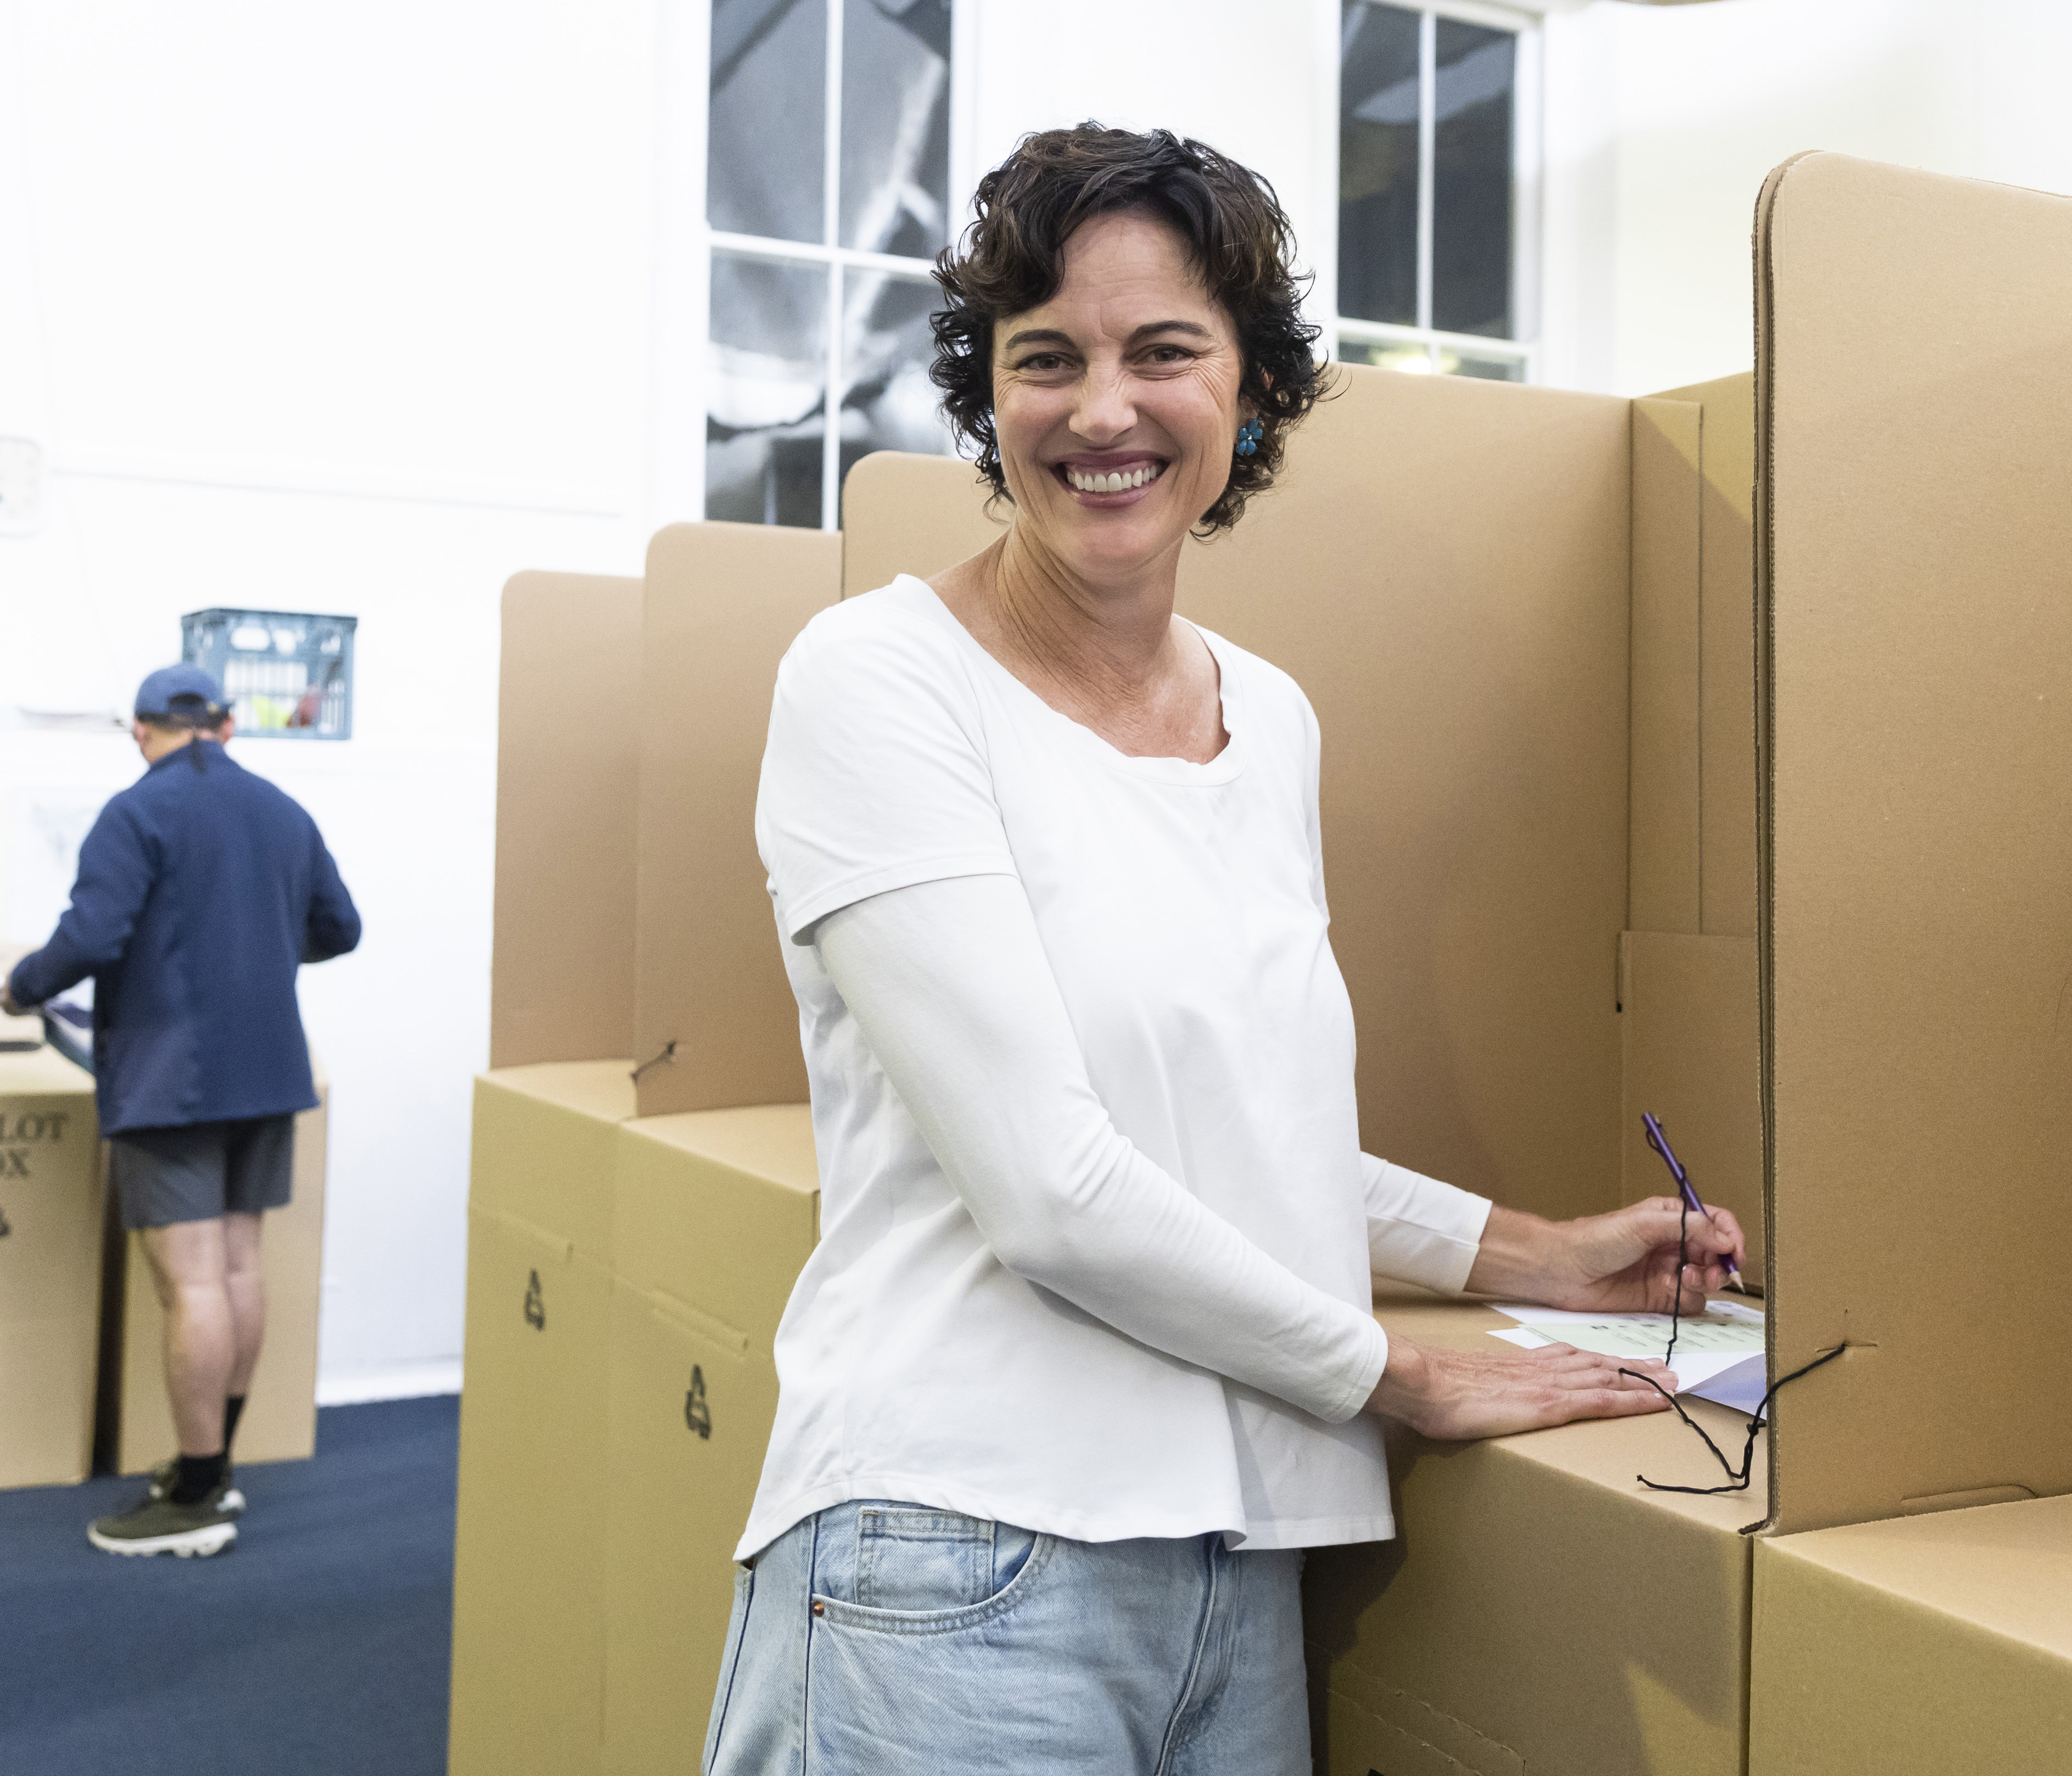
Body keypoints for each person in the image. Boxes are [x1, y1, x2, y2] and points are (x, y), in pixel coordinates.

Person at [703, 126, 1745, 1773]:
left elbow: (1234, 1135)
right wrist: (1399, 1373)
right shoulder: (878, 681)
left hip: (1234, 1567)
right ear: (989, 400)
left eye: (1164, 352)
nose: (1103, 411)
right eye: (1047, 359)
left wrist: (1534, 1255)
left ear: (1250, 389)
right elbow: (1052, 1182)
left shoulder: (1270, 719)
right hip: (958, 1556)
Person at [4, 663, 361, 1557]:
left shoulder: (137, 812)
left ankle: (197, 1493)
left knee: (194, 1283)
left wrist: (20, 989)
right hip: (271, 1072)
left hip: (172, 1079)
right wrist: (255, 950)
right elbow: (341, 928)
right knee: (240, 1269)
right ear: (229, 727)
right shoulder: (284, 811)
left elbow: (90, 937)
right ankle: (217, 1468)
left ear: (143, 730)